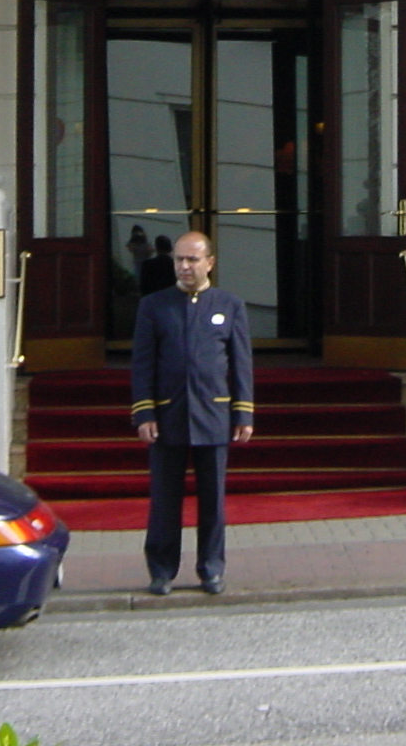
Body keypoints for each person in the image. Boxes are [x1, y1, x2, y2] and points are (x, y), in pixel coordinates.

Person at [129, 230, 254, 596]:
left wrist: (243, 413)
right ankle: (162, 570)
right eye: (179, 260)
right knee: (165, 500)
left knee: (212, 501)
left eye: (192, 260)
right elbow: (143, 364)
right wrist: (144, 412)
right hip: (168, 416)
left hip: (213, 416)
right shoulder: (154, 306)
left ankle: (211, 569)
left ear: (209, 263)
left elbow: (241, 365)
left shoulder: (229, 305)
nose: (184, 266)